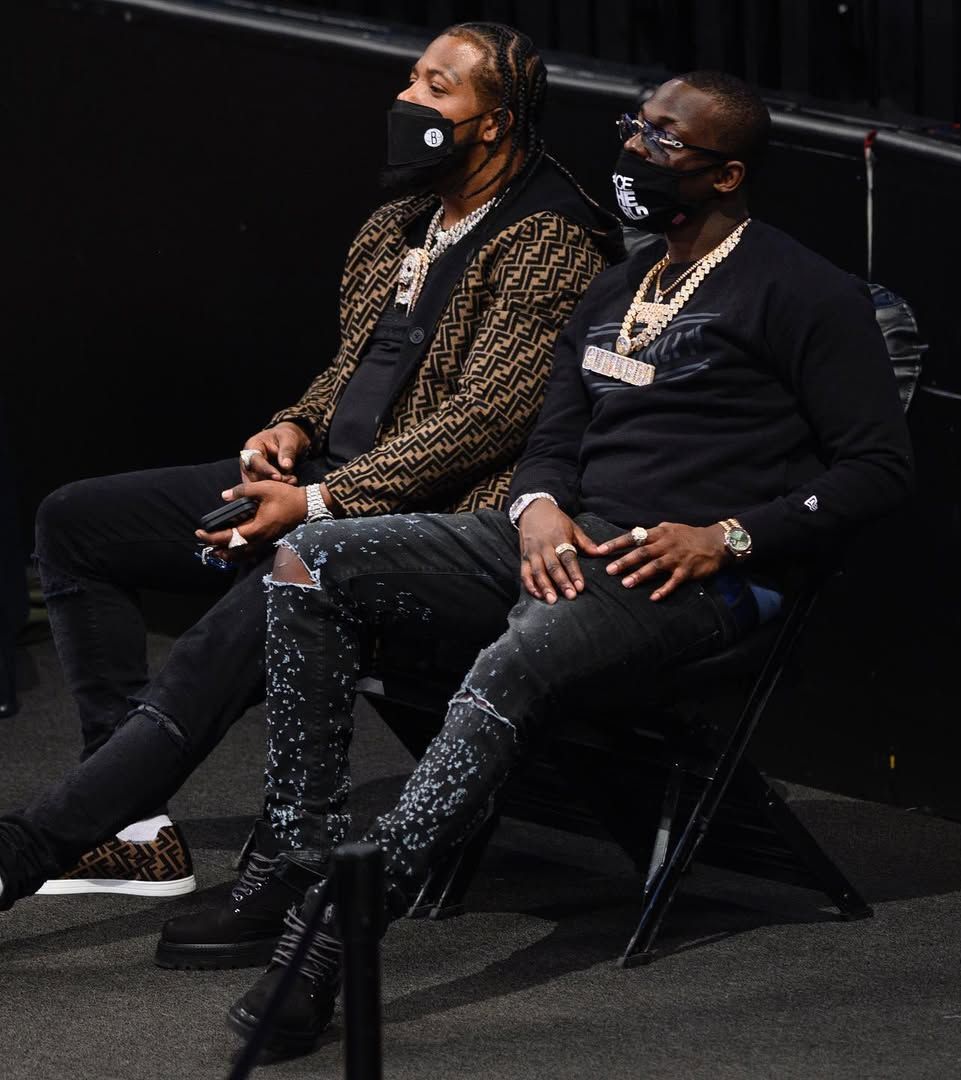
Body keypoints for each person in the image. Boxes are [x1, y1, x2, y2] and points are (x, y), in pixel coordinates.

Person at [171, 68, 914, 1057]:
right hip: (566, 538)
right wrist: (536, 508)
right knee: (310, 556)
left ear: (728, 173)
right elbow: (555, 440)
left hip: (689, 572)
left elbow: (879, 468)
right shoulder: (617, 284)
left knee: (512, 665)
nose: (637, 153)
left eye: (665, 142)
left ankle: (326, 941)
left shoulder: (806, 293)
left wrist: (728, 535)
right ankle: (303, 854)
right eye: (635, 128)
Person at [0, 23, 620, 902]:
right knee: (77, 523)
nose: (408, 100)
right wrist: (290, 429)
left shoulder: (550, 239)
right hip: (326, 478)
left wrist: (323, 502)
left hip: (422, 521)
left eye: (438, 88)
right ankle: (132, 825)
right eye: (412, 78)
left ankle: (33, 845)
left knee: (240, 618)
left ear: (495, 122)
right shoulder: (398, 222)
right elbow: (355, 368)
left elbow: (485, 422)